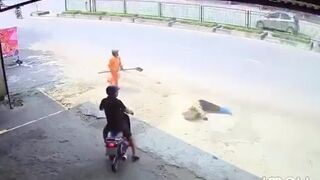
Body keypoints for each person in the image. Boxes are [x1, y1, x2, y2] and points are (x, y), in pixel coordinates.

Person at [99, 86, 139, 162]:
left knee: (105, 134)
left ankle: (108, 146)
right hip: (120, 125)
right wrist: (131, 112)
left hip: (110, 125)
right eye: (117, 92)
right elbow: (126, 110)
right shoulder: (118, 102)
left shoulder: (104, 101)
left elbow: (100, 108)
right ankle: (134, 155)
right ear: (115, 94)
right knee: (129, 136)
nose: (117, 93)